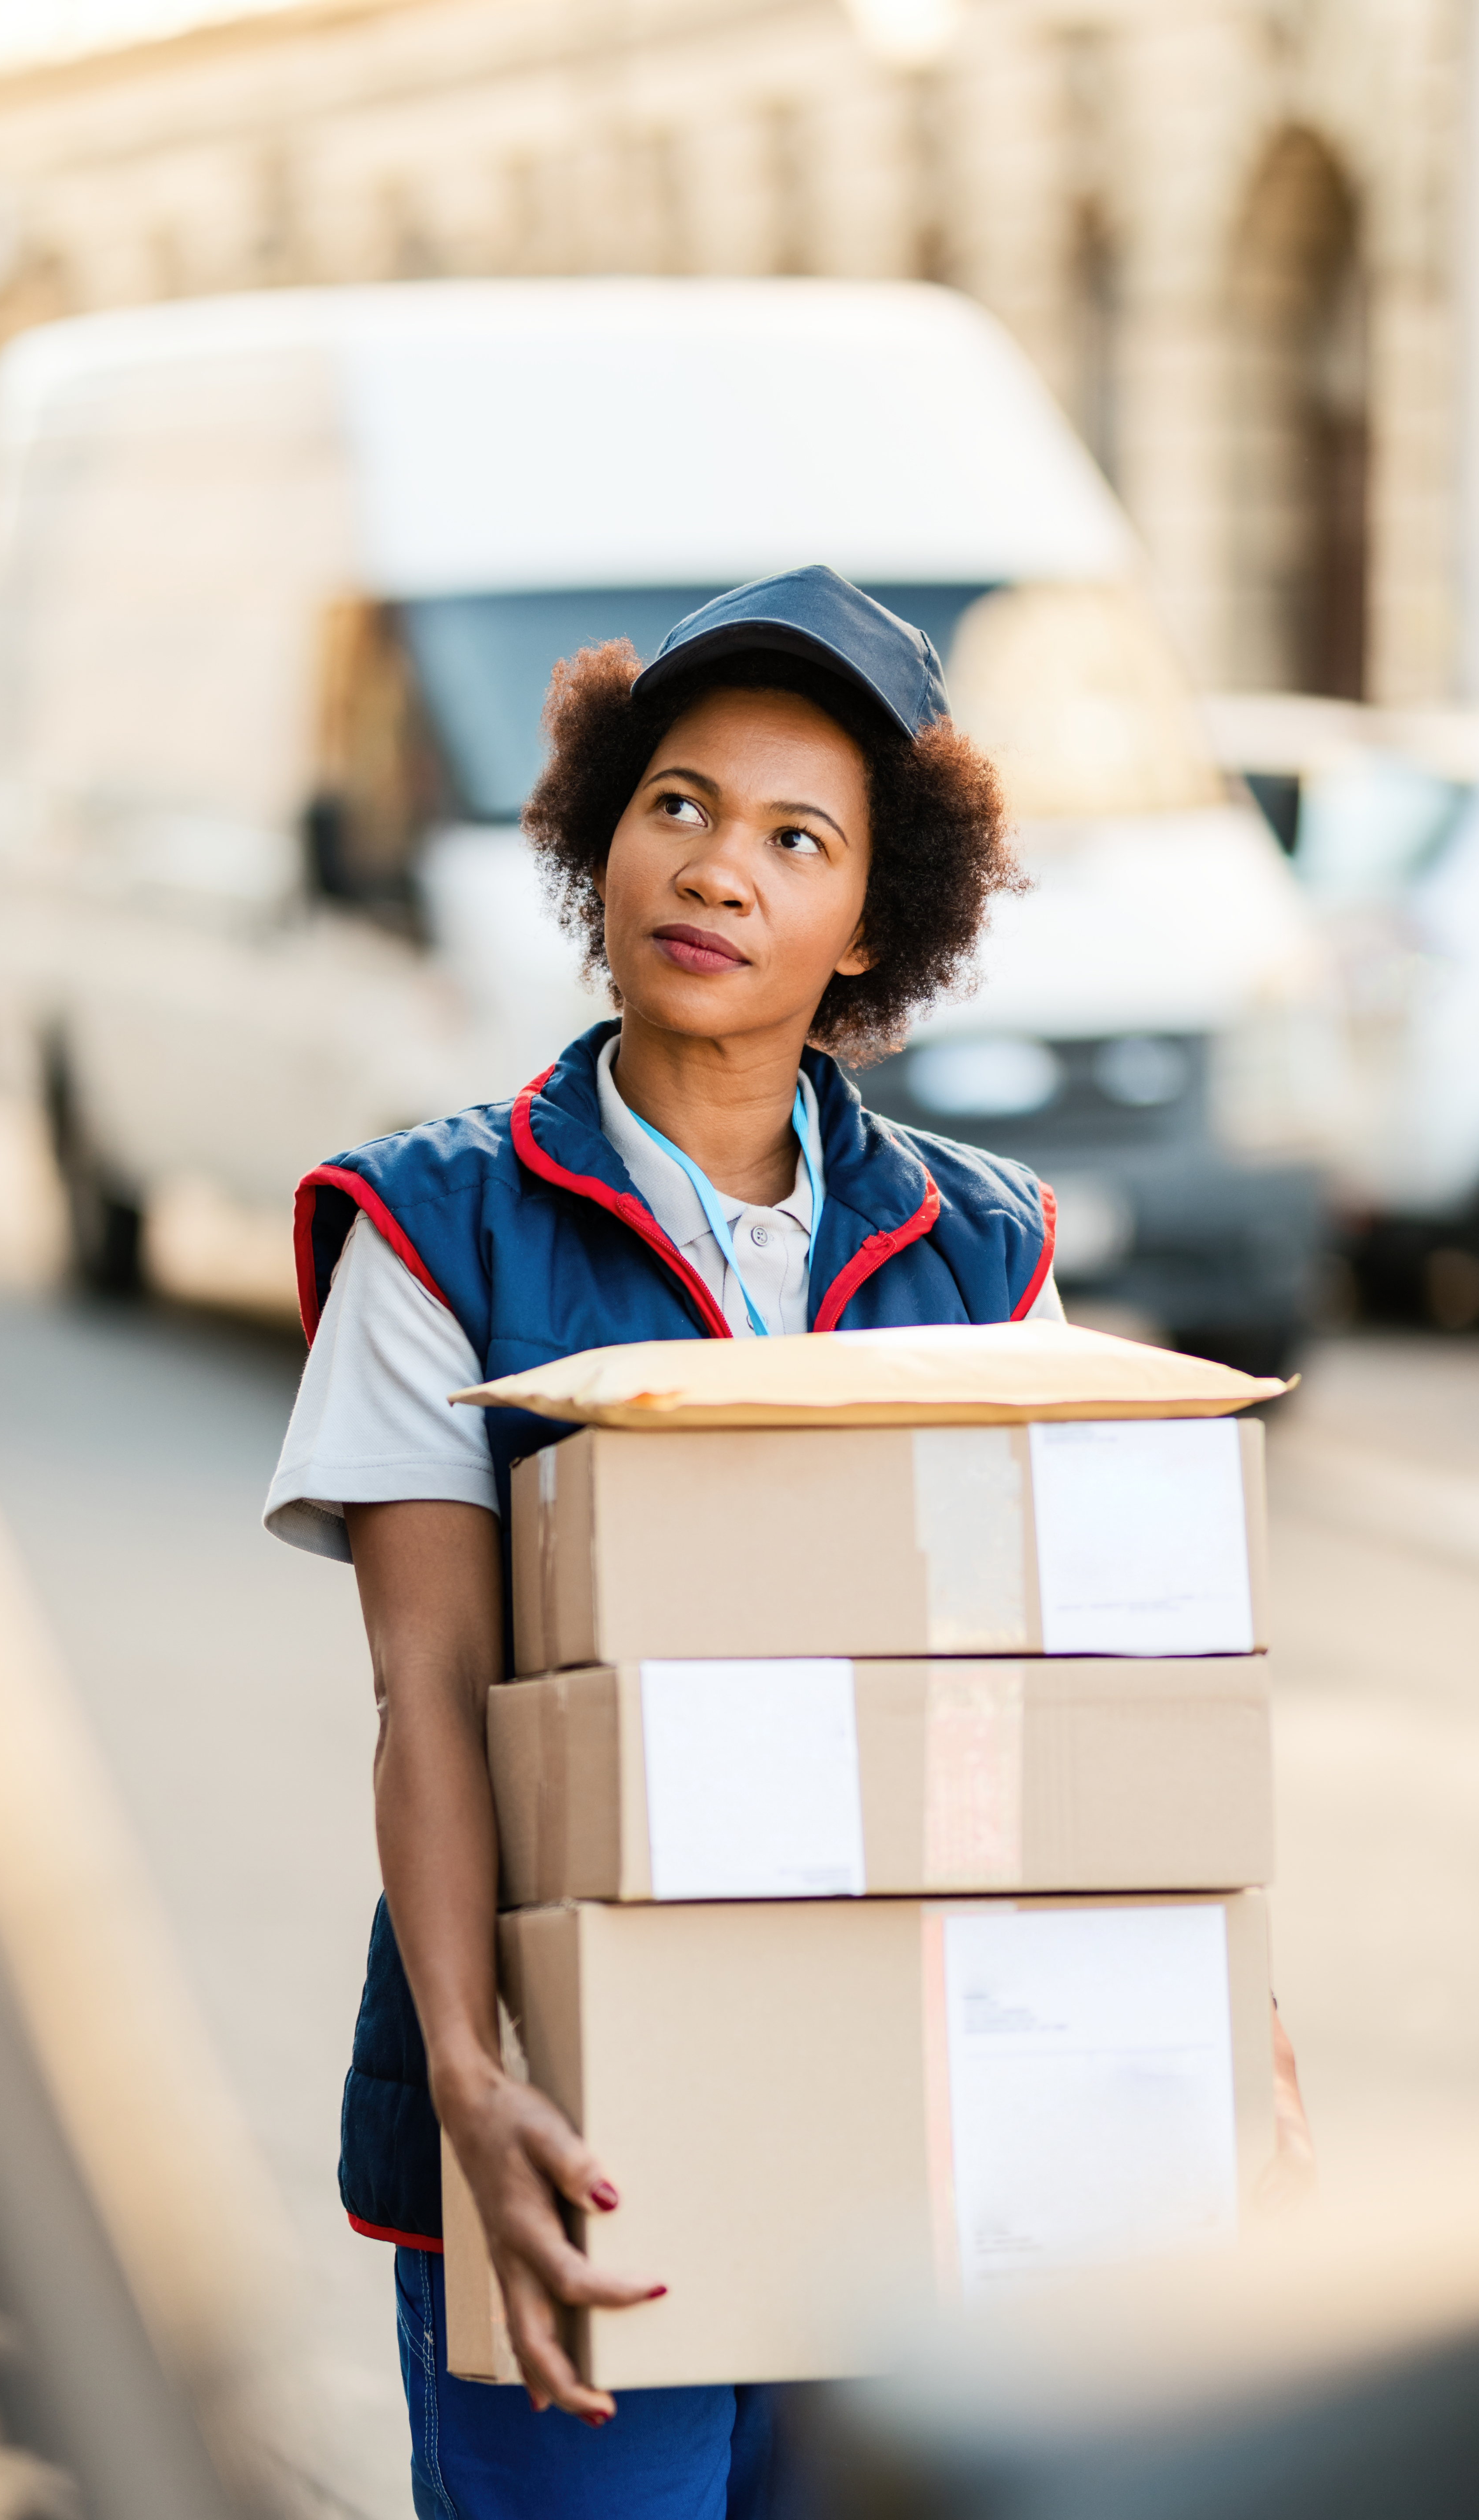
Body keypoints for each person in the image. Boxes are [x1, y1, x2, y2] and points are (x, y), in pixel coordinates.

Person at [263, 568, 1306, 2520]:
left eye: (792, 836)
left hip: (904, 2129)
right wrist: (480, 2081)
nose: (717, 868)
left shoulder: (984, 1253)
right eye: (677, 803)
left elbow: (1077, 1703)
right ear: (597, 834)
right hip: (578, 2131)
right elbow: (430, 1696)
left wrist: (1230, 2047)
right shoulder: (436, 1233)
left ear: (868, 926)